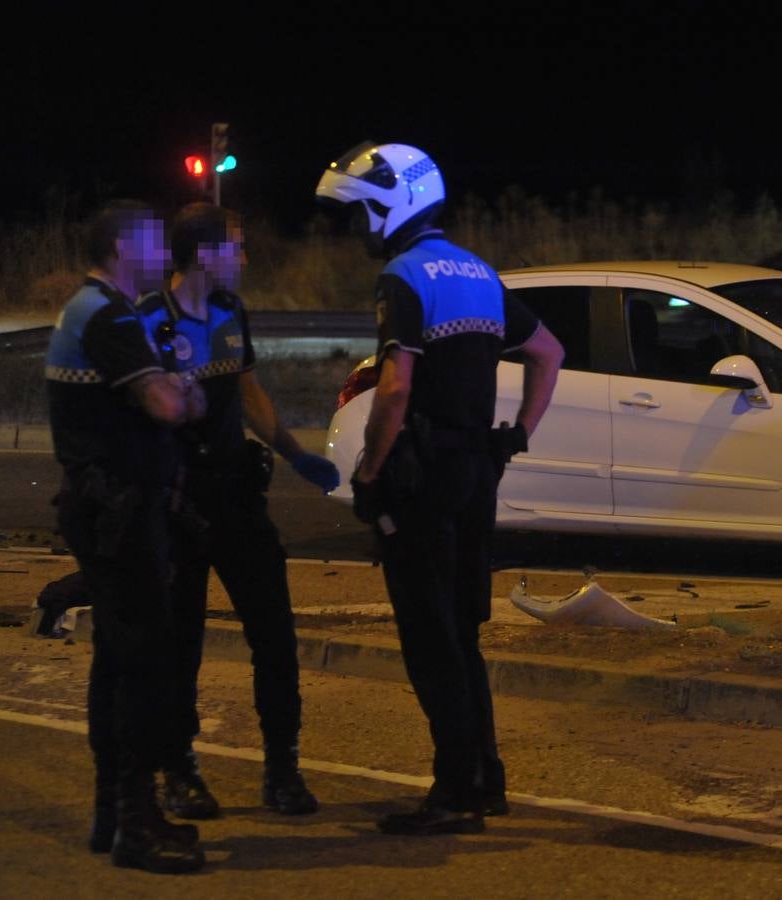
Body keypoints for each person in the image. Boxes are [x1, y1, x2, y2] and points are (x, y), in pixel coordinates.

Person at [315, 142, 563, 834]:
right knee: (462, 632)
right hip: (475, 472)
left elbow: (394, 390)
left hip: (421, 478)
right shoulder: (479, 272)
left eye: (360, 213)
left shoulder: (403, 276)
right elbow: (549, 351)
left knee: (429, 638)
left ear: (391, 205)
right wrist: (516, 433)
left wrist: (368, 474)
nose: (357, 229)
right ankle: (485, 779)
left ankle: (456, 792)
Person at [137, 202, 339, 819]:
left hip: (235, 496)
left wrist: (297, 454)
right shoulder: (149, 321)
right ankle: (179, 770)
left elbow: (248, 392)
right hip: (176, 504)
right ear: (203, 255)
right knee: (180, 645)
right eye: (236, 247)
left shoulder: (230, 312)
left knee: (275, 636)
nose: (245, 258)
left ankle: (283, 769)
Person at [45, 200, 206, 873]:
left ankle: (114, 813)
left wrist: (175, 383)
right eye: (150, 240)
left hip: (106, 508)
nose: (164, 250)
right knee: (139, 666)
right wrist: (184, 387)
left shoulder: (99, 310)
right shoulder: (109, 315)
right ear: (119, 246)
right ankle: (136, 826)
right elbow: (171, 404)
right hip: (120, 511)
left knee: (117, 661)